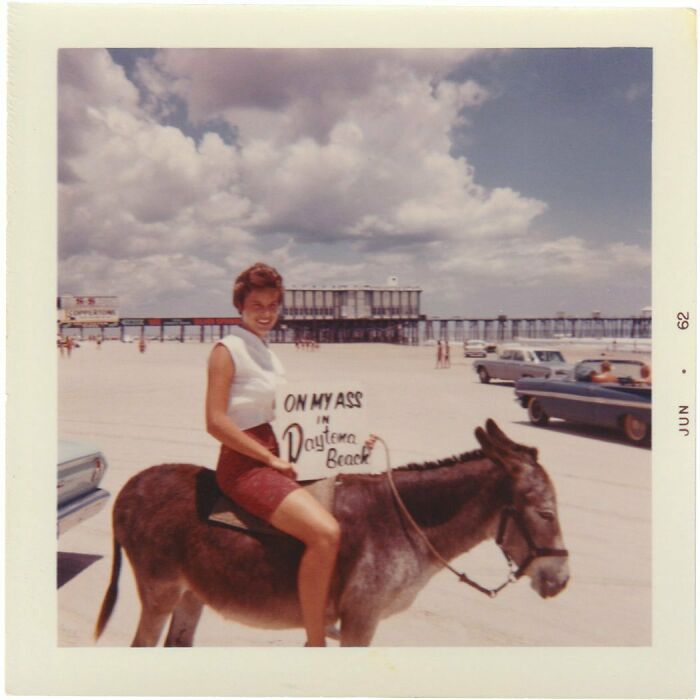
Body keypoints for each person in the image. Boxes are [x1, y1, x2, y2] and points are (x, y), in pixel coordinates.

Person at [205, 262, 340, 647]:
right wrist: (268, 460)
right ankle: (315, 642)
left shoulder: (266, 351)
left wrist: (348, 441)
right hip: (245, 464)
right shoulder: (227, 350)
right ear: (240, 306)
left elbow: (289, 412)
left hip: (276, 453)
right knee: (326, 534)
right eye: (257, 304)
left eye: (273, 305)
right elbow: (215, 422)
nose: (266, 312)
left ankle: (319, 599)